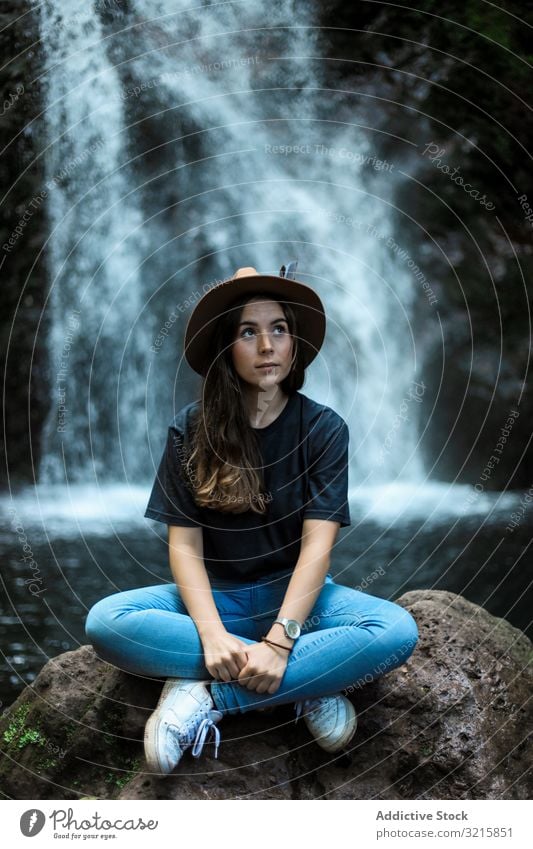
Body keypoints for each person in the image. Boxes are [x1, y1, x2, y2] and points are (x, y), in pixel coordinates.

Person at [85, 263, 419, 777]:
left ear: (294, 343)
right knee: (106, 622)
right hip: (211, 602)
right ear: (227, 349)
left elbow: (317, 549)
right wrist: (213, 633)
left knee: (395, 630)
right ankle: (309, 680)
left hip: (299, 603)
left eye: (278, 329)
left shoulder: (325, 430)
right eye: (248, 332)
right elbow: (184, 548)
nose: (267, 345)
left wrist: (282, 640)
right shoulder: (190, 430)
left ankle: (212, 695)